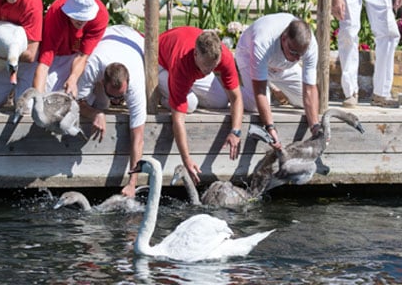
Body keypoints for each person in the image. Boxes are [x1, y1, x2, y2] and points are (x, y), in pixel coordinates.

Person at [157, 27, 243, 184]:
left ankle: (181, 91)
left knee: (221, 101)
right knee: (190, 104)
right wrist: (187, 159)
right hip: (161, 63)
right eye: (206, 66)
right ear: (196, 53)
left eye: (213, 66)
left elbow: (236, 97)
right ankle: (164, 98)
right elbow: (178, 120)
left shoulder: (222, 57)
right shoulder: (181, 63)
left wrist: (235, 131)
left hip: (193, 67)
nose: (209, 70)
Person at [77, 25, 147, 197]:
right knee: (100, 103)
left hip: (134, 41)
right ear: (102, 80)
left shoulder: (136, 84)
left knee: (105, 103)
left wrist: (132, 183)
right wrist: (94, 113)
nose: (118, 102)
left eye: (121, 97)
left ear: (128, 84)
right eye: (113, 96)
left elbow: (138, 138)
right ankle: (102, 100)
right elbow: (77, 101)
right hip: (108, 36)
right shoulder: (93, 65)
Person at [234, 14, 320, 150]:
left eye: (300, 55)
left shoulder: (310, 46)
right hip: (248, 56)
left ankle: (274, 86)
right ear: (284, 38)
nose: (297, 59)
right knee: (255, 106)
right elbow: (260, 91)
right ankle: (232, 90)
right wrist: (270, 127)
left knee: (304, 102)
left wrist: (315, 127)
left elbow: (309, 89)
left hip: (282, 66)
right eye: (293, 52)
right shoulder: (263, 40)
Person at [32, 0, 109, 96]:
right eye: (77, 16)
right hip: (57, 55)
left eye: (85, 17)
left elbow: (83, 55)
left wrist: (73, 78)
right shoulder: (56, 12)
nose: (81, 21)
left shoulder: (100, 15)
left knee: (99, 102)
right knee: (44, 95)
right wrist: (37, 100)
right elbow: (45, 61)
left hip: (80, 57)